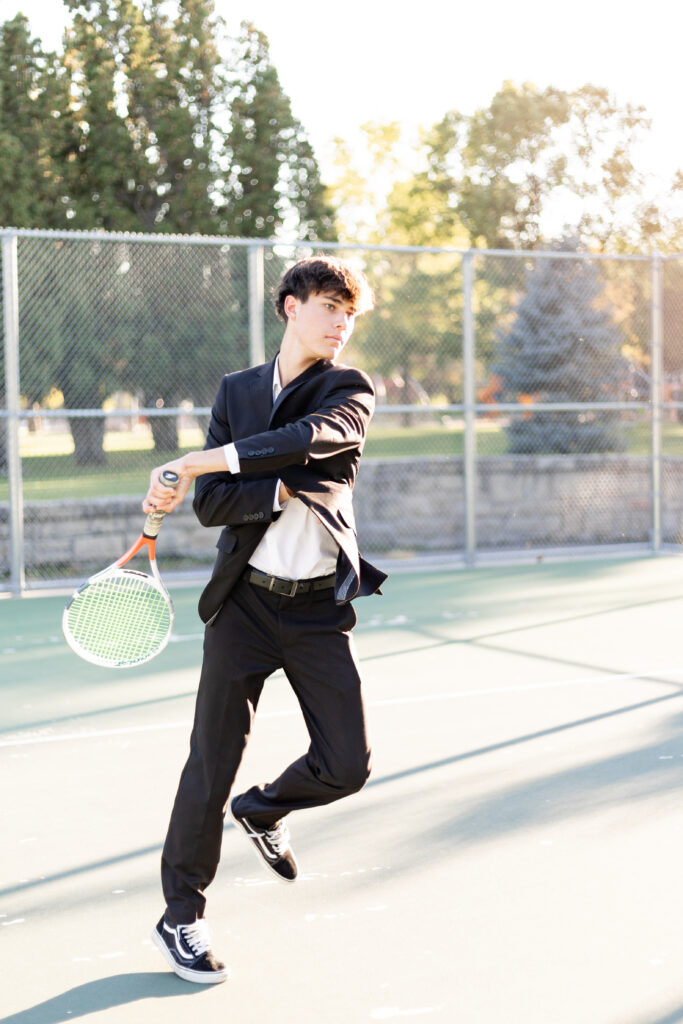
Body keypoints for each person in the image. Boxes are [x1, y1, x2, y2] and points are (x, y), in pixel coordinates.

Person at [144, 255, 387, 984]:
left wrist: (208, 460)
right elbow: (214, 507)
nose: (342, 323)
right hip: (244, 605)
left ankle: (265, 808)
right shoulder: (237, 391)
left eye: (350, 313)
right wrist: (266, 490)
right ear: (290, 306)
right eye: (329, 307)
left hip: (316, 610)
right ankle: (180, 915)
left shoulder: (349, 388)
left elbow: (314, 439)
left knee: (347, 765)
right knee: (208, 763)